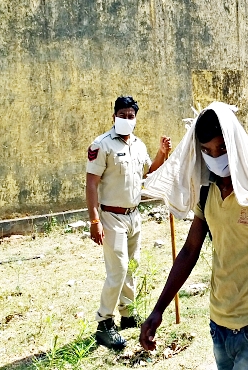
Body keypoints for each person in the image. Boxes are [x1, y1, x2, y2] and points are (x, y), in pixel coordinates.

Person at [139, 102, 248, 369]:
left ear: (236, 145)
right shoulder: (207, 193)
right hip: (218, 322)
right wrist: (158, 310)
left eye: (222, 149)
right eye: (206, 151)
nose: (215, 157)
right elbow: (190, 251)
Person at [86, 96, 172, 349]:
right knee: (118, 269)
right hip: (111, 216)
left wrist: (161, 153)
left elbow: (149, 171)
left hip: (134, 214)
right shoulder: (102, 145)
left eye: (130, 115)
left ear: (135, 118)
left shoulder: (138, 145)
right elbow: (91, 183)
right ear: (113, 117)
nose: (126, 119)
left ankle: (128, 314)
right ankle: (104, 323)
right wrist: (94, 220)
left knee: (132, 266)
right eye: (122, 115)